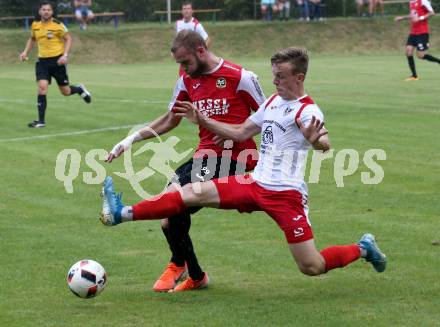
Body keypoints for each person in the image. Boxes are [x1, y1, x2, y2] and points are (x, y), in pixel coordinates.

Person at [101, 47, 387, 290]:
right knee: (189, 192)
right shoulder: (274, 102)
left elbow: (323, 141)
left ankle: (363, 248)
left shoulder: (307, 111)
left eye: (281, 76)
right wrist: (203, 120)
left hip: (285, 195)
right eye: (273, 74)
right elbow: (240, 132)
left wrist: (318, 142)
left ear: (299, 77)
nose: (274, 81)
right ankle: (120, 213)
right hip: (253, 183)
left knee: (311, 266)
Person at [105, 30, 266, 292]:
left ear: (201, 51)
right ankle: (194, 274)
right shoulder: (187, 80)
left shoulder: (241, 78)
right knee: (168, 219)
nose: (182, 68)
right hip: (205, 158)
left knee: (171, 202)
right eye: (179, 63)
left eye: (185, 62)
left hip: (236, 160)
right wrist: (130, 139)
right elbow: (171, 118)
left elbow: (268, 117)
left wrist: (236, 130)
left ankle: (175, 261)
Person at [19, 1, 91, 128]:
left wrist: (65, 55)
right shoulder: (35, 25)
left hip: (58, 61)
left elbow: (68, 39)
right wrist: (24, 52)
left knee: (66, 91)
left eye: (48, 10)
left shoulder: (58, 25)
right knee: (42, 88)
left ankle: (79, 89)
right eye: (43, 9)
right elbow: (32, 39)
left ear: (52, 12)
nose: (46, 11)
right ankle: (41, 121)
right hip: (42, 62)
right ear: (40, 11)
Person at [395, 0, 440, 81]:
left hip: (422, 32)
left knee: (421, 55)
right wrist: (402, 18)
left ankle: (439, 61)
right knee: (408, 51)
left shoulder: (423, 1)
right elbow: (413, 15)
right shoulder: (411, 2)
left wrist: (420, 18)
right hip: (413, 32)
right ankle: (414, 76)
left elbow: (432, 12)